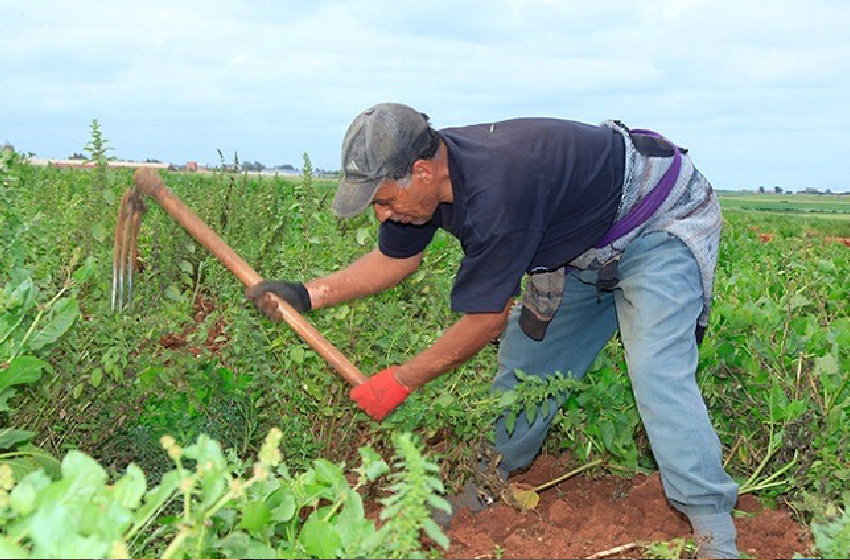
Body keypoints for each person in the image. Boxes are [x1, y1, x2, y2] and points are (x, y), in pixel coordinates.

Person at [247, 103, 739, 558]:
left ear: (420, 171)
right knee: (526, 367)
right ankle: (489, 478)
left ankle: (713, 526)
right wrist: (307, 294)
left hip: (658, 224)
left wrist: (400, 381)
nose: (382, 214)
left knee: (657, 370)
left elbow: (484, 320)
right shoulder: (422, 187)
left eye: (383, 200)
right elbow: (395, 260)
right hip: (576, 250)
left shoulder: (497, 188)